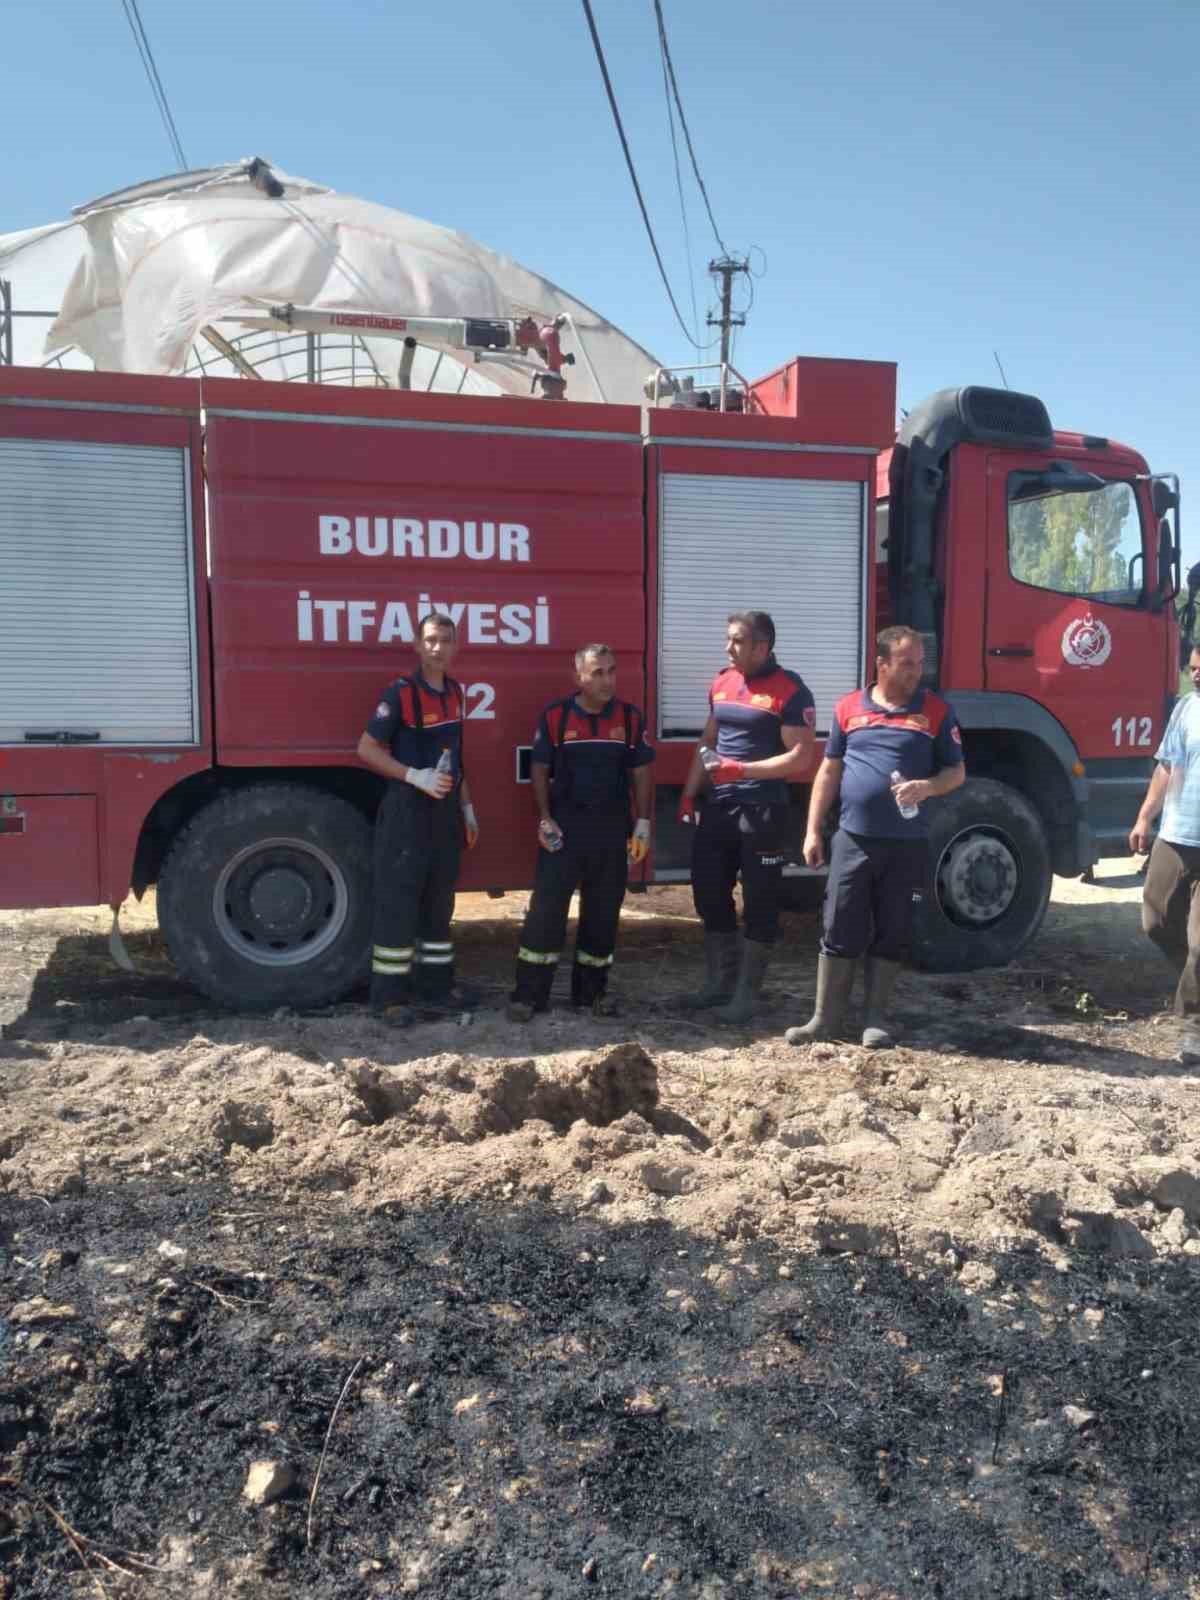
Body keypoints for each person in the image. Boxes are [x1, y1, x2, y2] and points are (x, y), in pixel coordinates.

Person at [787, 625, 964, 1048]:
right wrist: (813, 830)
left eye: (920, 663)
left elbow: (956, 772)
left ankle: (875, 1020)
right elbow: (829, 770)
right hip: (853, 839)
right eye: (906, 664)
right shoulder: (849, 707)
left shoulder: (937, 712)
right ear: (881, 664)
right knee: (839, 923)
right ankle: (823, 1021)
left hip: (906, 844)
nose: (915, 672)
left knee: (894, 928)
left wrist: (927, 787)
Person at [678, 611, 815, 1023]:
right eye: (728, 639)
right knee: (707, 893)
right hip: (719, 806)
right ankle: (718, 985)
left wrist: (744, 771)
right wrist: (688, 795)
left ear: (762, 646)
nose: (728, 648)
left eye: (737, 641)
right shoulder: (722, 682)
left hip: (762, 810)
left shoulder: (791, 691)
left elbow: (801, 757)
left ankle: (747, 996)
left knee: (759, 901)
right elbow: (708, 741)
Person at [508, 643, 654, 1021]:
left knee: (603, 915)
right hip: (565, 833)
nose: (607, 680)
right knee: (546, 913)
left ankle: (590, 996)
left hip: (611, 832)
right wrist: (545, 817)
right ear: (579, 677)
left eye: (611, 671)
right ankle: (529, 996)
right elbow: (540, 769)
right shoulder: (556, 717)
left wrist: (642, 822)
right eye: (597, 673)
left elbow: (641, 773)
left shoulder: (630, 718)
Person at [357, 612, 479, 1023]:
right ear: (416, 644)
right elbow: (367, 750)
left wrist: (466, 806)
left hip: (444, 814)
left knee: (439, 902)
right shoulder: (400, 694)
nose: (437, 648)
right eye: (429, 640)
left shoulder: (457, 694)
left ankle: (436, 989)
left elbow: (457, 758)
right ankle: (390, 999)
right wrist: (414, 775)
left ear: (455, 646)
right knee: (398, 902)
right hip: (406, 812)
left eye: (445, 640)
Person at [1129, 645, 1200, 1064]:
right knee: (1155, 922)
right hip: (1175, 835)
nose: (1197, 675)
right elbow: (1166, 766)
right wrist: (1144, 818)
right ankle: (1194, 986)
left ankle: (1193, 1026)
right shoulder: (1186, 709)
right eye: (1192, 668)